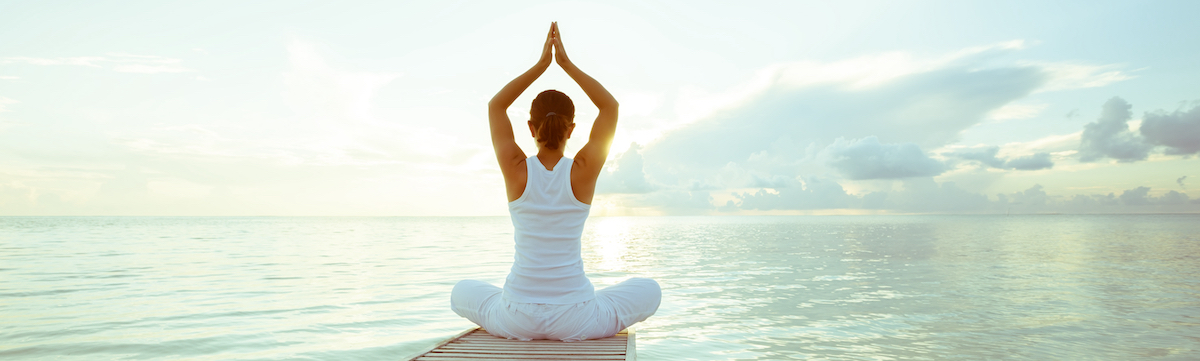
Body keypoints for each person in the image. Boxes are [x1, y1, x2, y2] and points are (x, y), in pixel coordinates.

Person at [450, 22, 661, 342]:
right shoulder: (582, 170)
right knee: (650, 289)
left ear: (531, 127)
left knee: (461, 292)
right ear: (572, 129)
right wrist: (565, 64)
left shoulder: (516, 169)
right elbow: (610, 107)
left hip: (516, 316)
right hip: (576, 318)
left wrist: (541, 66)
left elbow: (496, 106)